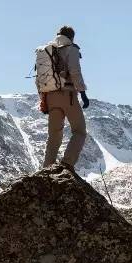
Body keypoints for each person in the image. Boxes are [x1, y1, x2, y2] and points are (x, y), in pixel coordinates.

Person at [38, 25, 89, 169]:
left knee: (54, 136)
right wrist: (83, 93)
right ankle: (67, 164)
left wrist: (44, 100)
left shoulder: (48, 50)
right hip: (68, 95)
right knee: (79, 131)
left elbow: (40, 78)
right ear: (71, 37)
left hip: (50, 97)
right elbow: (75, 71)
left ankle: (47, 168)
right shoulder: (71, 49)